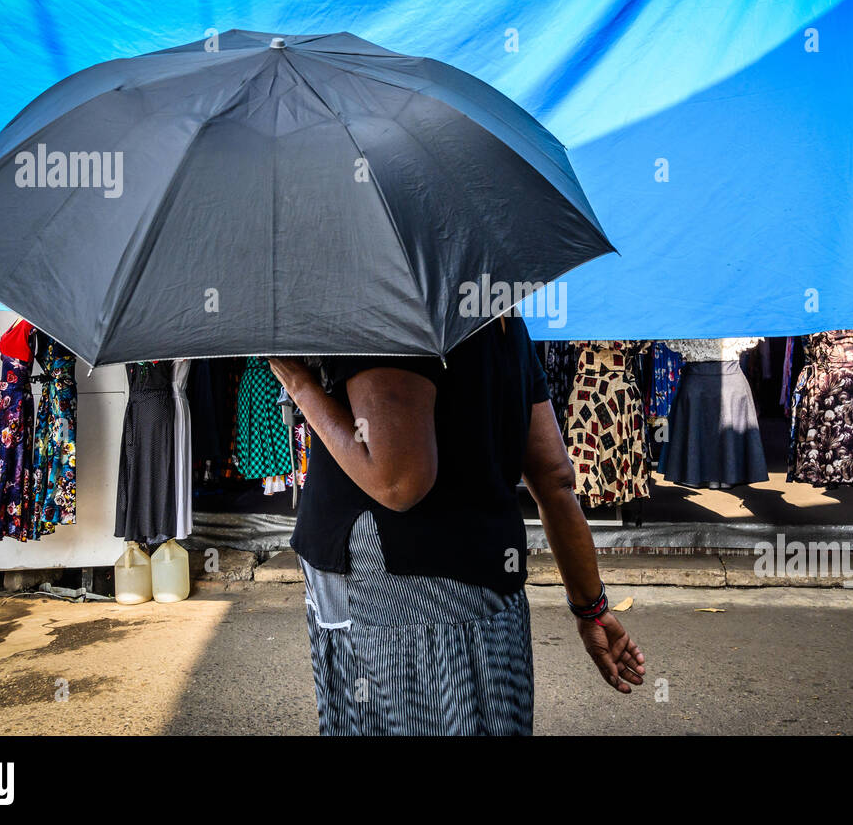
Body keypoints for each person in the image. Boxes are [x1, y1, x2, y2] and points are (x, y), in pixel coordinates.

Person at [269, 311, 644, 735]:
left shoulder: (390, 314)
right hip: (489, 596)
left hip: (399, 607)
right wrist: (591, 609)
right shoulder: (501, 319)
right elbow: (554, 477)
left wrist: (298, 382)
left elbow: (398, 481)